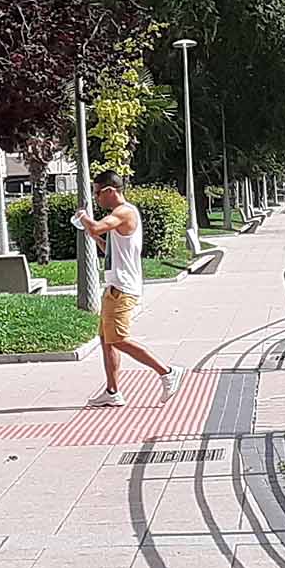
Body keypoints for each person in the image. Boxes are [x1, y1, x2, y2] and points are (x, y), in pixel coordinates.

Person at [76, 170, 184, 407]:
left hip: (123, 288)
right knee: (107, 339)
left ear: (109, 191)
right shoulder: (118, 216)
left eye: (97, 193)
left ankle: (166, 372)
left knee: (119, 339)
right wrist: (94, 236)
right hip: (114, 285)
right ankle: (112, 391)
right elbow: (110, 250)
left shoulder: (124, 212)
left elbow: (96, 227)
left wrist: (84, 218)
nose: (96, 198)